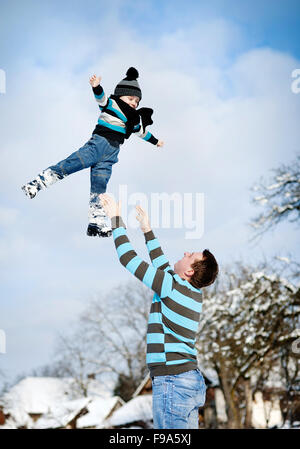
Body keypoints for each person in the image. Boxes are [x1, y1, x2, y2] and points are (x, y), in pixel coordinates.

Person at [100, 193, 219, 429]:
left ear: (190, 272)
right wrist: (147, 230)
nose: (186, 252)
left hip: (173, 382)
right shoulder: (190, 292)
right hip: (188, 381)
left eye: (191, 256)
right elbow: (163, 267)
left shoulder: (171, 286)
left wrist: (115, 219)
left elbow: (128, 258)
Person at [21, 67, 164, 237]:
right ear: (120, 95)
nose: (134, 103)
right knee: (70, 165)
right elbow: (101, 99)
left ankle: (96, 222)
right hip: (98, 145)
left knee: (99, 187)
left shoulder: (134, 120)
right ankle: (36, 184)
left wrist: (155, 141)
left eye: (137, 101)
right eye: (131, 98)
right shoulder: (112, 103)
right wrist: (96, 86)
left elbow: (142, 133)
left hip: (111, 154)